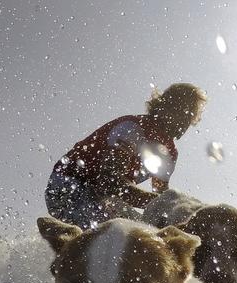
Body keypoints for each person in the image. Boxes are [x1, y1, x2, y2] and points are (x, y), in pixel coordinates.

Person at [45, 83, 207, 229]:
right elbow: (110, 182)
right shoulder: (132, 129)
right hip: (67, 187)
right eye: (183, 112)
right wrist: (167, 204)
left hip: (103, 198)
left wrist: (180, 212)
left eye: (191, 116)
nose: (186, 121)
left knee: (154, 234)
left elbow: (161, 195)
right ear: (165, 107)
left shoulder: (170, 154)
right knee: (128, 236)